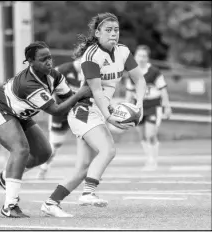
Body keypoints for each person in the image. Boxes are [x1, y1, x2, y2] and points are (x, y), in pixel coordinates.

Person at [40, 12, 147, 217]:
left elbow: (139, 80)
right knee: (108, 150)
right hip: (84, 111)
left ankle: (51, 203)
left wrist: (139, 104)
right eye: (108, 30)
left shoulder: (123, 51)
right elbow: (96, 91)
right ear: (97, 33)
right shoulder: (91, 55)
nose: (113, 34)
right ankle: (88, 193)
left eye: (116, 30)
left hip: (98, 111)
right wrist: (109, 116)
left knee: (83, 169)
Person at [0, 41, 92, 218]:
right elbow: (56, 110)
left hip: (18, 113)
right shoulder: (28, 83)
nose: (49, 62)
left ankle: (4, 177)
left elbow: (70, 101)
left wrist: (91, 106)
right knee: (20, 149)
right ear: (30, 62)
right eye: (43, 59)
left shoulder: (55, 76)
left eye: (50, 57)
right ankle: (10, 205)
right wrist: (81, 93)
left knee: (44, 153)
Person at [125, 45, 172, 171]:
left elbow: (163, 90)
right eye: (139, 56)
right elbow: (129, 93)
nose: (141, 58)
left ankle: (153, 160)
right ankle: (149, 159)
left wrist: (167, 106)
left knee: (150, 134)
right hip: (138, 107)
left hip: (153, 106)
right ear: (135, 57)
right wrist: (125, 109)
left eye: (144, 56)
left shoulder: (155, 72)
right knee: (142, 135)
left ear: (148, 58)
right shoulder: (132, 73)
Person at [36, 59, 84, 179]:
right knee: (55, 144)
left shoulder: (91, 70)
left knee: (88, 140)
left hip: (81, 111)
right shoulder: (62, 70)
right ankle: (44, 167)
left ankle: (90, 171)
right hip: (61, 111)